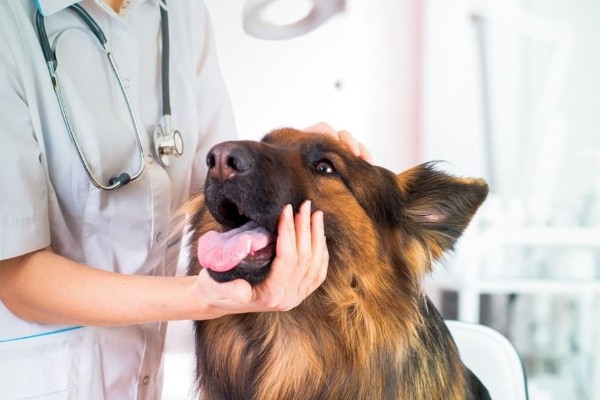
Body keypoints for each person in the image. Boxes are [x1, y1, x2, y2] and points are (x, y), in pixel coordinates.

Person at [0, 0, 371, 399]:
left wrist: (297, 159)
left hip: (144, 377)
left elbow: (219, 181)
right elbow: (17, 277)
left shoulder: (181, 11)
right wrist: (200, 298)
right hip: (40, 380)